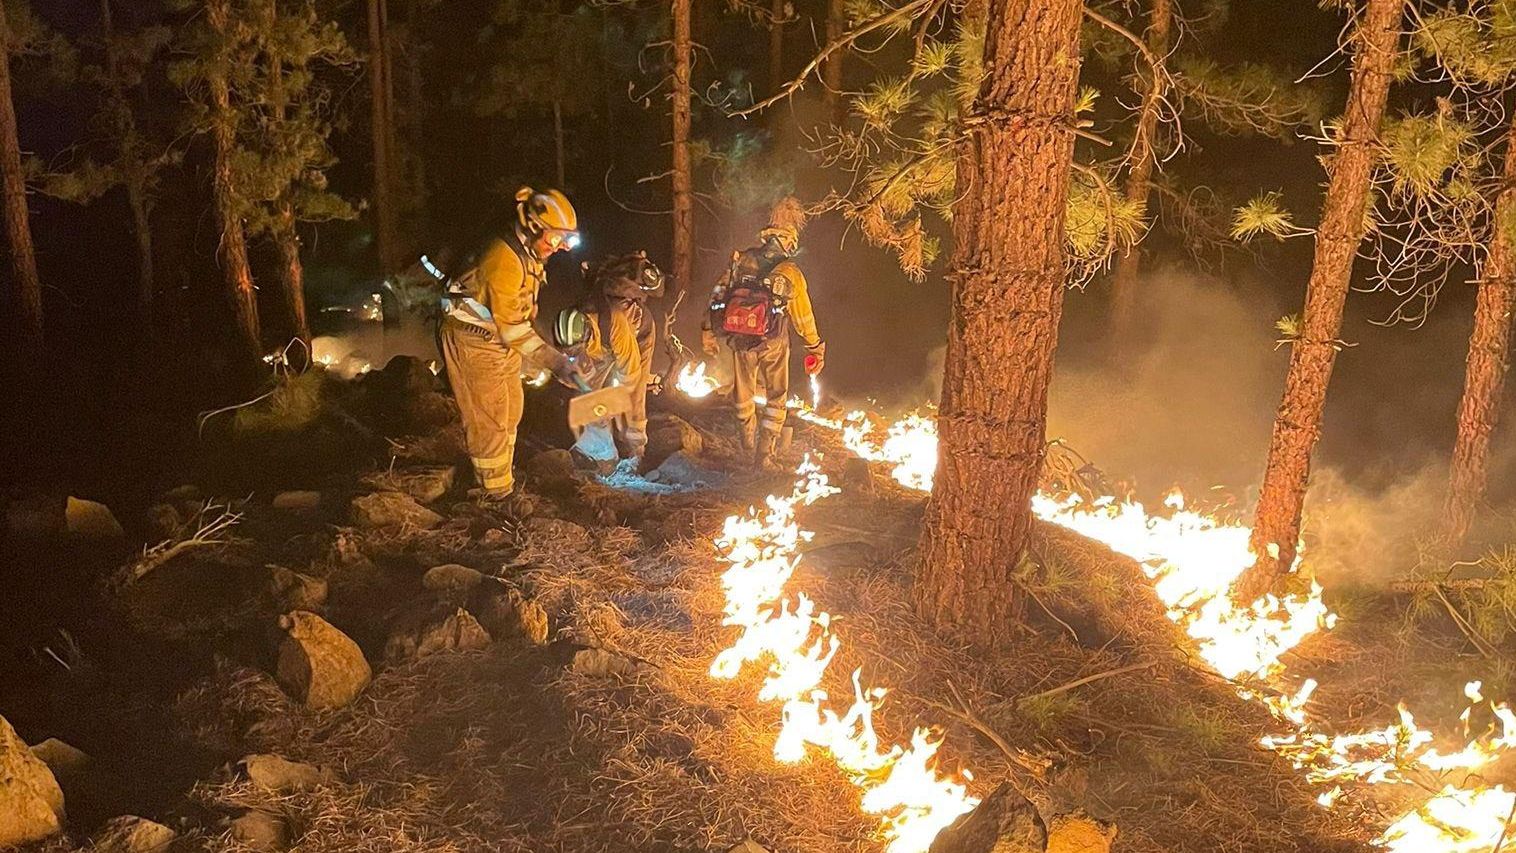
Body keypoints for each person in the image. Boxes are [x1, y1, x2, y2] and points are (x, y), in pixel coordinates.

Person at [436, 186, 584, 498]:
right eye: (557, 238)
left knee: (511, 409)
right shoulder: (502, 258)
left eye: (567, 240)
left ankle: (502, 478)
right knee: (489, 419)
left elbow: (519, 314)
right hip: (473, 340)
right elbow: (513, 328)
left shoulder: (529, 251)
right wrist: (556, 363)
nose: (560, 247)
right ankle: (496, 496)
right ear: (532, 226)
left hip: (497, 339)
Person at [701, 198, 825, 470]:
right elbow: (803, 316)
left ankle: (746, 447)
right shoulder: (790, 271)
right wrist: (815, 345)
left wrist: (708, 329)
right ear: (789, 242)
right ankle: (764, 455)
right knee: (776, 394)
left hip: (740, 340)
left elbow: (718, 295)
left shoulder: (742, 259)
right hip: (774, 340)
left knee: (743, 395)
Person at [553, 251, 665, 469]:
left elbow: (630, 379)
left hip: (639, 334)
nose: (575, 353)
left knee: (635, 394)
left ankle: (636, 451)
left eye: (578, 349)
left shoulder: (614, 324)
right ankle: (601, 451)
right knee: (588, 393)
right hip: (603, 345)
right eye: (571, 350)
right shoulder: (573, 327)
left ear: (588, 333)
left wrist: (610, 401)